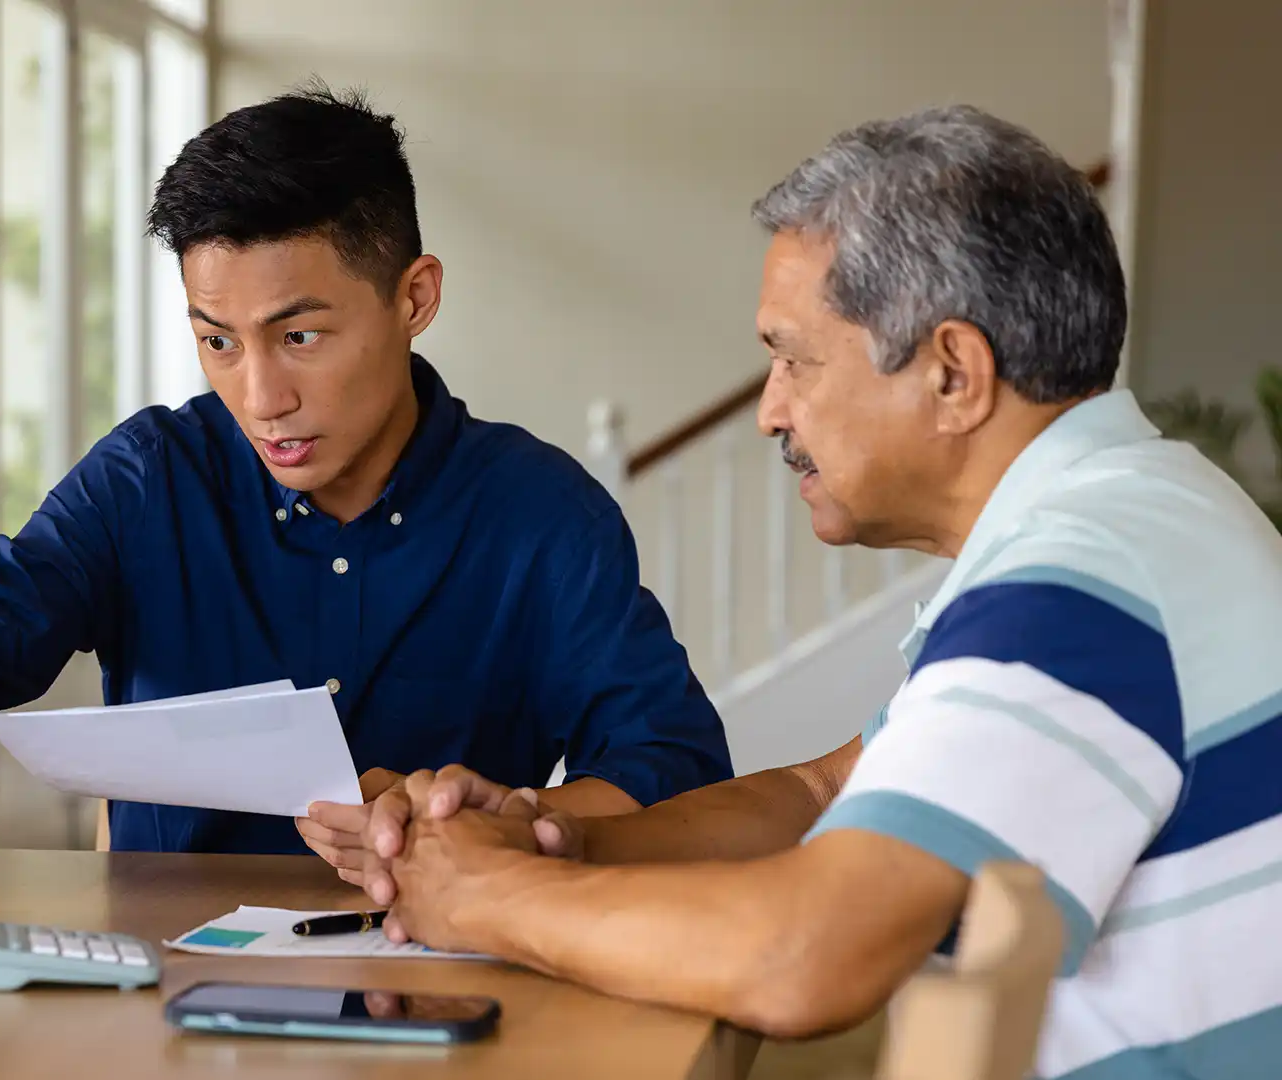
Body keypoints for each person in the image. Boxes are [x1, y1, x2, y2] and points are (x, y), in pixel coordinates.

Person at [367, 105, 1282, 1079]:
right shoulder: (1136, 518)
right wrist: (560, 839)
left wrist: (482, 897)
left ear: (953, 374)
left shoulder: (1081, 583)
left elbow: (802, 960)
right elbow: (829, 789)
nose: (770, 410)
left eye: (795, 359)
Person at [0, 86, 731, 855]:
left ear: (414, 297)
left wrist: (513, 821)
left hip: (445, 987)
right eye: (217, 341)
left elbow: (670, 765)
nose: (260, 396)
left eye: (299, 335)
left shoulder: (543, 516)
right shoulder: (149, 478)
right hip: (165, 1001)